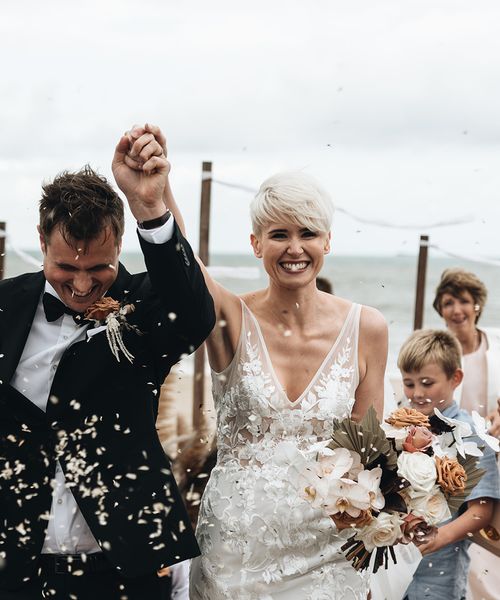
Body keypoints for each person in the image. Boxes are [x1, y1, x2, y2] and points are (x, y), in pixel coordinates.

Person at [125, 124, 388, 599]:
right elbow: (183, 268)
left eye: (308, 233)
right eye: (278, 234)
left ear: (327, 242)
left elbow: (368, 454)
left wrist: (374, 538)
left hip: (328, 557)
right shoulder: (232, 318)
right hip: (235, 553)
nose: (294, 247)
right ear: (255, 244)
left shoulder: (367, 328)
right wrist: (155, 195)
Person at [0, 133, 215, 599]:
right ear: (41, 241)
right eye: (64, 268)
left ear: (119, 241)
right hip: (13, 565)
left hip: (123, 566)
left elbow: (195, 314)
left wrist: (149, 208)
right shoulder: (4, 307)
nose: (80, 286)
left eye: (97, 267)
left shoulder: (145, 306)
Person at [397, 329, 499, 600]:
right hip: (395, 566)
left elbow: (482, 512)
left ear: (455, 378)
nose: (417, 393)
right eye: (409, 383)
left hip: (440, 572)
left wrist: (437, 538)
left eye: (427, 383)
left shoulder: (470, 434)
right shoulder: (398, 429)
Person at [433, 268, 500, 598]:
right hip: (451, 459)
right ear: (440, 309)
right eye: (448, 302)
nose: (456, 309)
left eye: (463, 300)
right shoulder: (435, 350)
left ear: (477, 305)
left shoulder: (496, 347)